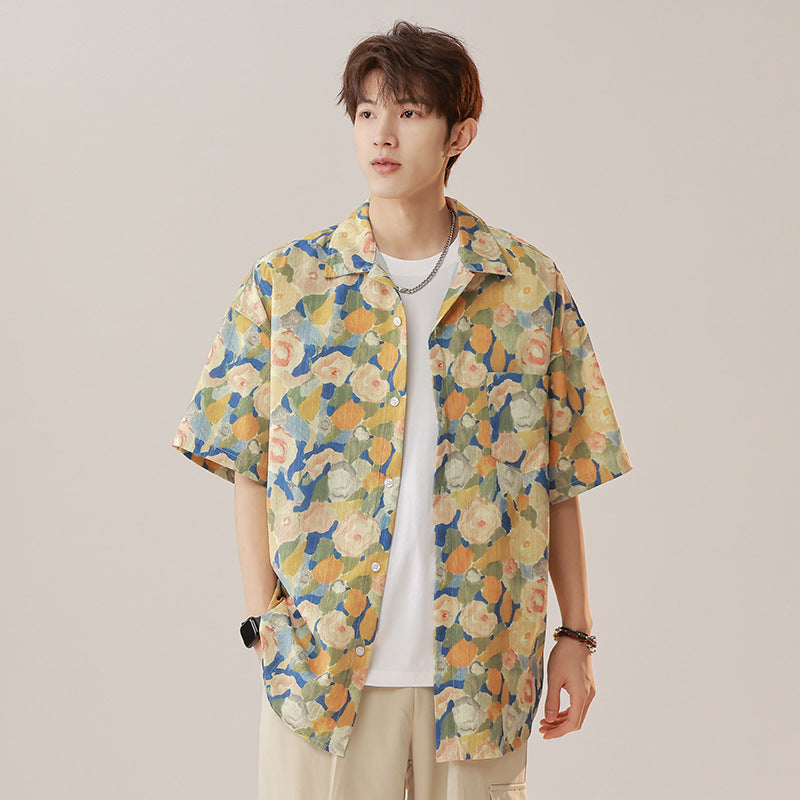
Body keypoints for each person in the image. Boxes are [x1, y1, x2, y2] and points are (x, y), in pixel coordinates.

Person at [171, 19, 633, 800]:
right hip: (324, 681)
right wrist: (263, 623)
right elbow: (248, 465)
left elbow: (560, 476)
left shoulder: (527, 287)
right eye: (366, 112)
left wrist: (577, 636)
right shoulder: (286, 286)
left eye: (410, 112)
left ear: (461, 134)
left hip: (482, 675)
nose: (382, 134)